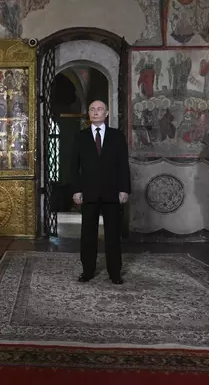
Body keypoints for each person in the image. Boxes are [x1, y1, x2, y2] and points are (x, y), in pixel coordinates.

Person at [70, 100, 131, 284]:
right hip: (88, 193)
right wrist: (76, 190)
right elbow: (73, 167)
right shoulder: (80, 137)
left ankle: (115, 273)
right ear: (88, 113)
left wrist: (124, 189)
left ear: (106, 113)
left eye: (100, 109)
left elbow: (123, 165)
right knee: (88, 234)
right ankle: (87, 271)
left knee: (113, 234)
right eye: (92, 109)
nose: (96, 112)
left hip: (113, 193)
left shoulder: (117, 136)